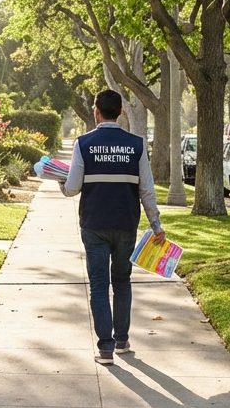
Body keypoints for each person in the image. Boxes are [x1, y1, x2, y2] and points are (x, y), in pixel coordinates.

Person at [63, 89, 164, 366]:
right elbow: (147, 190)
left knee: (98, 284)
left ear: (96, 111)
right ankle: (122, 340)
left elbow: (72, 188)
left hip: (94, 224)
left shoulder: (83, 143)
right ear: (120, 112)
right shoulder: (137, 144)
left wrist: (61, 182)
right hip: (125, 224)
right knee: (122, 281)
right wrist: (156, 224)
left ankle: (105, 349)